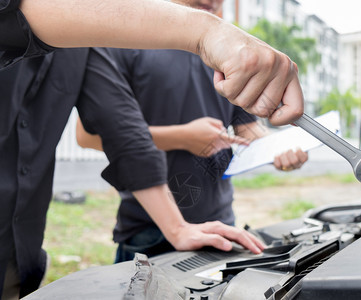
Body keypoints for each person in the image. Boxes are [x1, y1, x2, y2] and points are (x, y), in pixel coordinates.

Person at [76, 0, 309, 262]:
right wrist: (182, 137)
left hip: (220, 222)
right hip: (149, 228)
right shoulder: (127, 41)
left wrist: (279, 149)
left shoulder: (227, 53)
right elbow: (87, 137)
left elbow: (248, 130)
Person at [1, 0, 305, 126]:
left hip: (218, 214)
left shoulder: (224, 62)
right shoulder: (116, 46)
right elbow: (110, 132)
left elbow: (244, 127)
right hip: (144, 226)